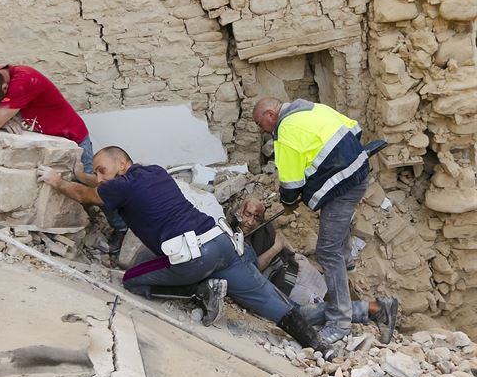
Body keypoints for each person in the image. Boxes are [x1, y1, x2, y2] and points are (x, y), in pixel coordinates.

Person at [37, 146, 334, 355]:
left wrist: (57, 180)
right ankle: (320, 347)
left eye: (102, 171)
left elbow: (85, 194)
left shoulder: (120, 186)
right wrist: (84, 172)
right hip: (222, 243)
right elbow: (101, 185)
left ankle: (202, 291)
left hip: (194, 256)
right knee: (269, 302)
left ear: (122, 165)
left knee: (132, 279)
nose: (99, 178)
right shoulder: (153, 171)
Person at [0, 64, 127, 251]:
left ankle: (122, 228)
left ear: (5, 89)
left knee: (99, 188)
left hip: (73, 140)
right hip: (42, 143)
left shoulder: (25, 80)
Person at [252, 97, 375, 343]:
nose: (261, 130)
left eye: (259, 123)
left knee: (327, 252)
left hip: (343, 187)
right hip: (360, 172)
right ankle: (346, 261)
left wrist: (288, 203)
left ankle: (340, 322)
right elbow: (354, 129)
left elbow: (291, 183)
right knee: (336, 230)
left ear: (269, 114)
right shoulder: (309, 108)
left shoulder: (285, 131)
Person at [233, 197, 398, 344]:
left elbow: (257, 265)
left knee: (300, 314)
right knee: (313, 310)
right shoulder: (235, 230)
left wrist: (279, 247)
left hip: (293, 279)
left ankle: (375, 309)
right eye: (248, 215)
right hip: (292, 273)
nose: (250, 222)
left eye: (257, 218)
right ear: (240, 210)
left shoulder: (262, 233)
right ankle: (374, 309)